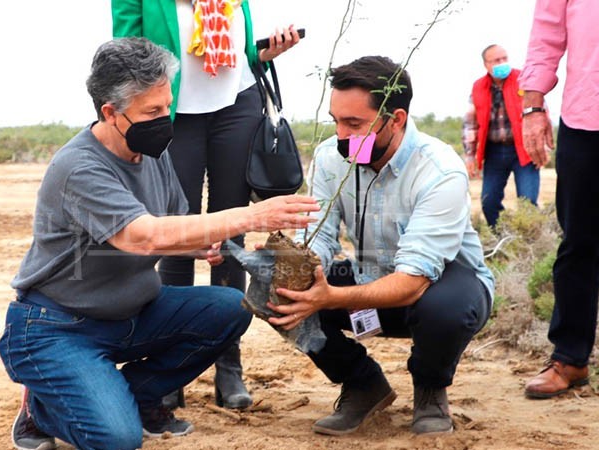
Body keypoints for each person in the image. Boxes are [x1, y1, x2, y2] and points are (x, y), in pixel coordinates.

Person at [0, 37, 319, 450]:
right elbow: (144, 236)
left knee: (229, 309)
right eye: (152, 112)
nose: (165, 120)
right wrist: (253, 216)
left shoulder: (151, 152)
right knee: (116, 439)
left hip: (133, 312)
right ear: (110, 112)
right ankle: (41, 407)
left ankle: (137, 395)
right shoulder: (80, 167)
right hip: (59, 325)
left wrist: (198, 246)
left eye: (167, 106)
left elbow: (169, 227)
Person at [265, 56, 495, 436]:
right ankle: (362, 383)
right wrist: (298, 270)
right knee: (274, 292)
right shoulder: (330, 157)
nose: (341, 135)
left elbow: (414, 281)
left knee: (444, 309)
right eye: (336, 121)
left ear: (396, 119)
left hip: (438, 287)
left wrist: (329, 297)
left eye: (354, 124)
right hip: (369, 276)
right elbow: (320, 236)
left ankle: (430, 389)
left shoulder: (439, 171)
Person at [112, 0, 302, 410]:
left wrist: (265, 52)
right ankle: (171, 366)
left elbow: (242, 50)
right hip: (173, 113)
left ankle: (228, 365)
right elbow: (124, 55)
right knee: (179, 236)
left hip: (237, 106)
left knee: (231, 237)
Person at [520, 0, 599, 399]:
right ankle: (570, 359)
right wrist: (533, 108)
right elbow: (546, 36)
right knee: (578, 246)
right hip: (585, 117)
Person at [462, 44, 546, 228]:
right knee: (489, 203)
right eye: (496, 60)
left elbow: (541, 114)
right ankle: (503, 236)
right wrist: (470, 155)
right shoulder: (478, 88)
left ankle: (531, 239)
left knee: (528, 203)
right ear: (486, 65)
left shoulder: (523, 80)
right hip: (494, 153)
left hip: (524, 150)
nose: (502, 63)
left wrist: (542, 147)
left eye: (504, 58)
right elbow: (470, 124)